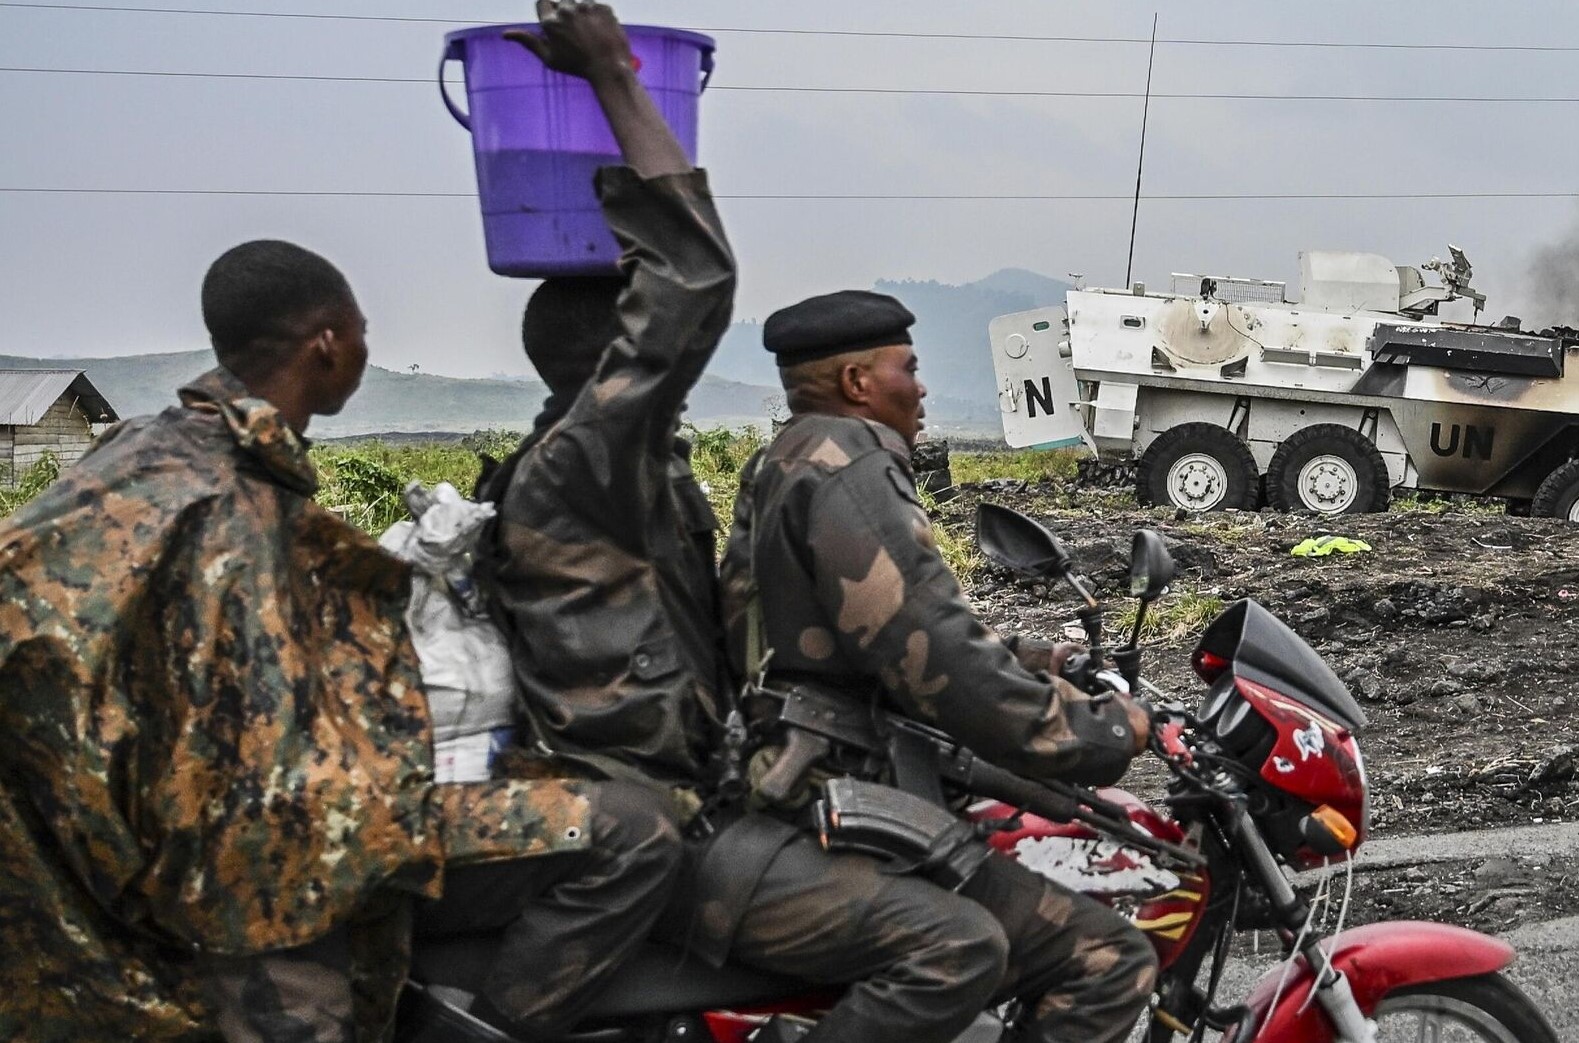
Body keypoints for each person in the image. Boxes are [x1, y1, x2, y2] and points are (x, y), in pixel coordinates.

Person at [0, 236, 662, 1043]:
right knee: (636, 829)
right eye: (362, 331)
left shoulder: (147, 453)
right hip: (253, 880)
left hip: (153, 849)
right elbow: (272, 761)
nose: (364, 348)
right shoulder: (234, 508)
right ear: (329, 341)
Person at [714, 289, 1159, 1043]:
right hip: (833, 788)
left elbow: (865, 631)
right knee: (1105, 956)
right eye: (908, 368)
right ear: (858, 383)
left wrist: (1037, 657)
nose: (921, 388)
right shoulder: (850, 466)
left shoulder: (786, 456)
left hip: (791, 768)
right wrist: (1103, 732)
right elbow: (938, 662)